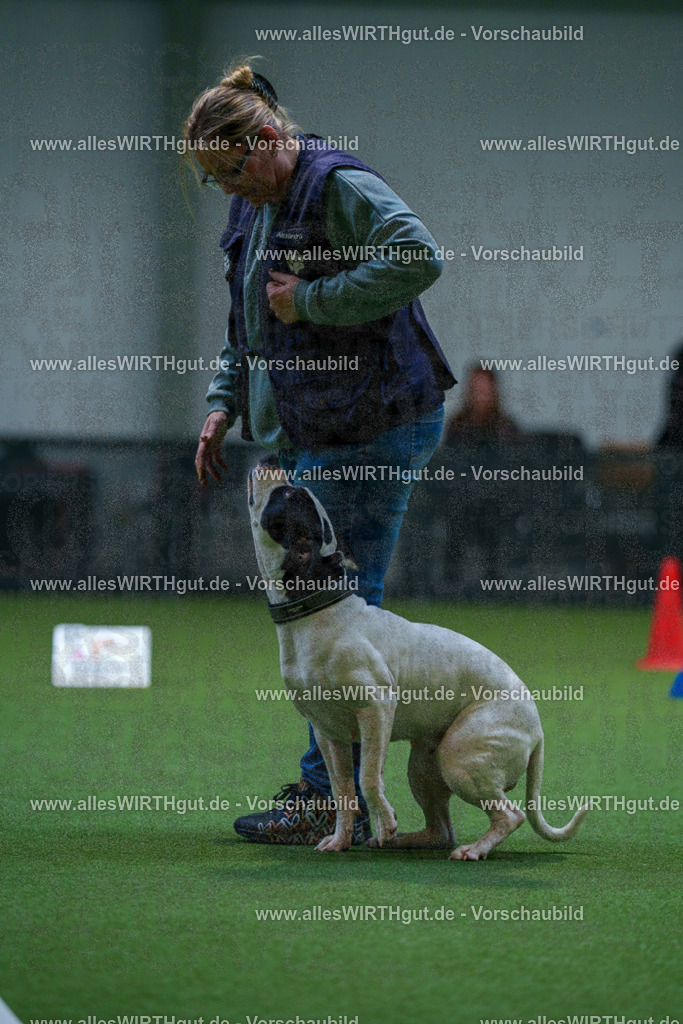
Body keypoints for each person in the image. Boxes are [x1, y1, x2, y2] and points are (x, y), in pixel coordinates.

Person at [184, 60, 455, 845]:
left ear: (268, 137)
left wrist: (312, 300)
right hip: (316, 426)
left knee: (332, 614)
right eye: (214, 180)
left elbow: (419, 257)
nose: (228, 190)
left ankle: (331, 801)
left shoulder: (338, 186)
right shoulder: (257, 201)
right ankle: (346, 799)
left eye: (231, 171)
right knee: (325, 611)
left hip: (372, 422)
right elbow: (248, 319)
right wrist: (223, 401)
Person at [443, 364, 518, 446]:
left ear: (493, 393)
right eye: (476, 390)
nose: (480, 397)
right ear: (469, 392)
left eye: (484, 391)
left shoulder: (505, 428)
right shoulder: (457, 426)